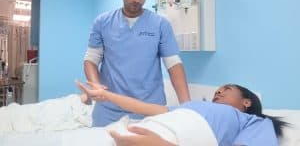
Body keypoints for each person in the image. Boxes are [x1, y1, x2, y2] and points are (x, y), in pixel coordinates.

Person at [83, 0, 190, 127]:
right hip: (109, 109)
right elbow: (91, 59)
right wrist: (96, 86)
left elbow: (173, 64)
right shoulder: (103, 22)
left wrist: (187, 107)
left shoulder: (160, 24)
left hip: (149, 110)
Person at [77, 81, 288, 146]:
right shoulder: (191, 105)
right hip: (140, 131)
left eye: (227, 89)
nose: (218, 91)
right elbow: (140, 107)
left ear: (246, 102)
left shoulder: (251, 121)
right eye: (217, 90)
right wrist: (104, 95)